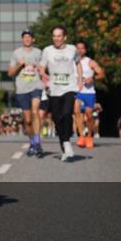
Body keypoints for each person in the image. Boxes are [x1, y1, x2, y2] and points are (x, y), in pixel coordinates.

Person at [39, 26, 80, 161]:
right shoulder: (47, 51)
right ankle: (64, 145)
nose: (56, 38)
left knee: (67, 113)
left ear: (64, 37)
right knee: (57, 119)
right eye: (54, 36)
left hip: (69, 87)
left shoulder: (72, 49)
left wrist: (80, 80)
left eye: (59, 36)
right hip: (53, 89)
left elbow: (78, 63)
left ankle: (67, 143)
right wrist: (43, 75)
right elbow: (42, 67)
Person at [8, 29, 45, 157]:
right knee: (27, 120)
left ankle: (38, 142)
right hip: (22, 88)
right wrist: (19, 64)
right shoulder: (16, 53)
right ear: (22, 39)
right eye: (25, 37)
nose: (27, 39)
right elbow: (10, 73)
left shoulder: (39, 53)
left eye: (29, 37)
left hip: (36, 86)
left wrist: (42, 71)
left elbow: (44, 68)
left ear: (33, 39)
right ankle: (32, 143)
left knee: (35, 112)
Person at [73, 40, 105, 149]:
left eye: (82, 48)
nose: (80, 50)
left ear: (85, 50)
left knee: (89, 115)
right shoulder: (71, 62)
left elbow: (101, 73)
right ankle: (81, 136)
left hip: (89, 93)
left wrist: (93, 78)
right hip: (77, 91)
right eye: (78, 48)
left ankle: (90, 136)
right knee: (77, 111)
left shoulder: (90, 62)